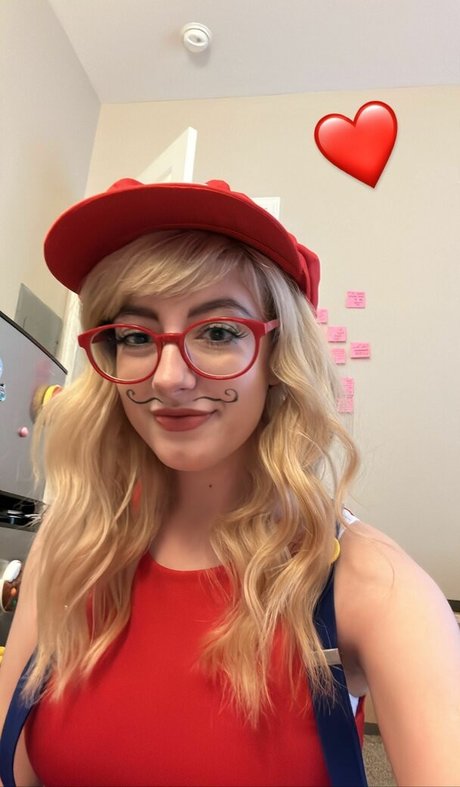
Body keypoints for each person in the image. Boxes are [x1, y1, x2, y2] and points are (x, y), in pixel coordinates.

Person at [0, 178, 459, 787]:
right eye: (135, 336)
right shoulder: (72, 545)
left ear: (278, 358)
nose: (168, 377)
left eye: (217, 332)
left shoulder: (369, 584)